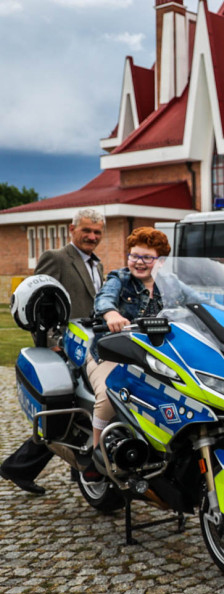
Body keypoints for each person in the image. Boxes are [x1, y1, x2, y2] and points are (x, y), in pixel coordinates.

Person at [0, 208, 105, 495]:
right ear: (72, 230)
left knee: (80, 410)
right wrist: (51, 345)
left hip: (88, 347)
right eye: (87, 230)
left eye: (97, 232)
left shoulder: (98, 265)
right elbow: (39, 301)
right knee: (63, 413)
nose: (92, 236)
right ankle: (18, 467)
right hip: (63, 348)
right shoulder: (56, 258)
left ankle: (78, 471)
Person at [87, 227, 172, 455]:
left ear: (160, 261)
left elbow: (196, 302)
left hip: (152, 357)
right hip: (111, 352)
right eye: (134, 255)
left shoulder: (169, 283)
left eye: (147, 257)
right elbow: (104, 298)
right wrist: (111, 314)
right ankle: (98, 455)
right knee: (108, 394)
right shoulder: (120, 278)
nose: (139, 262)